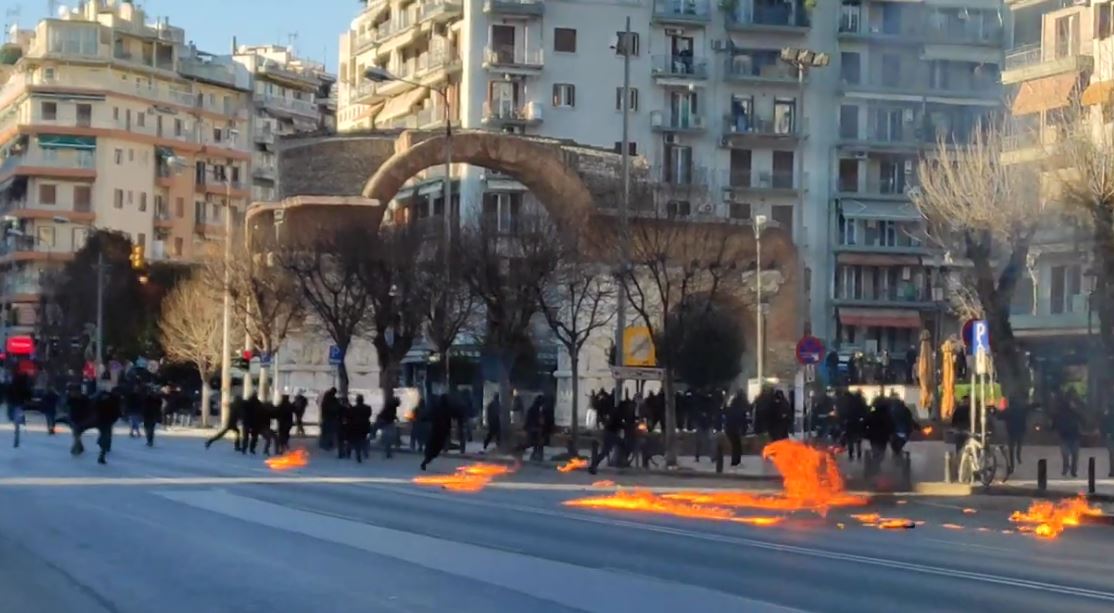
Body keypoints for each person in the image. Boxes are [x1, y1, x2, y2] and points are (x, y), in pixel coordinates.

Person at [421, 393, 455, 470]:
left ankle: (426, 460)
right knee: (436, 448)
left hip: (436, 430)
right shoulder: (446, 409)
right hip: (441, 431)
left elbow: (429, 416)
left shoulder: (438, 408)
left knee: (433, 447)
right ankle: (427, 459)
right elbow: (448, 422)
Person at [1051, 395, 1082, 478]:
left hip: (1067, 436)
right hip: (1070, 436)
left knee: (1067, 455)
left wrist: (1053, 429)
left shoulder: (1061, 413)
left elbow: (1054, 423)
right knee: (1073, 455)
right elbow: (1082, 420)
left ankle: (1068, 469)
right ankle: (1071, 471)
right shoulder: (1073, 413)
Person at [93, 388, 121, 464]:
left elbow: (116, 410)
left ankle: (103, 447)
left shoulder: (115, 399)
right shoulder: (109, 399)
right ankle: (103, 451)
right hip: (103, 420)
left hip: (107, 420)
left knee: (106, 434)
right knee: (106, 435)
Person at [864, 395, 894, 468]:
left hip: (873, 436)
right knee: (881, 452)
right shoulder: (888, 415)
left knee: (876, 451)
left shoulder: (872, 414)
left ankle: (874, 466)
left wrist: (865, 432)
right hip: (883, 436)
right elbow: (891, 426)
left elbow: (865, 423)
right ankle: (876, 465)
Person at [888, 393, 918, 459]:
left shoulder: (890, 410)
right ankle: (898, 451)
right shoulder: (905, 410)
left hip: (893, 431)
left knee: (894, 444)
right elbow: (909, 420)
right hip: (904, 431)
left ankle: (896, 452)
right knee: (901, 441)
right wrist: (916, 427)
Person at [724, 392, 749, 467]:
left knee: (735, 445)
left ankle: (735, 461)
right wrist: (744, 430)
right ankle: (736, 461)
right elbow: (743, 420)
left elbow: (726, 414)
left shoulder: (731, 407)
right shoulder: (742, 408)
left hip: (729, 428)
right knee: (737, 446)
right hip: (736, 429)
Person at [7, 370, 31, 448]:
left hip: (13, 403)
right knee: (17, 420)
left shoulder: (13, 384)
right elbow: (27, 394)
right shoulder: (23, 385)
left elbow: (8, 392)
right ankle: (17, 436)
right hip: (19, 404)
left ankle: (16, 436)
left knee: (14, 418)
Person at [349, 395, 372, 463]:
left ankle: (358, 453)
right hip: (365, 426)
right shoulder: (367, 408)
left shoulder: (353, 408)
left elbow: (350, 416)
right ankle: (365, 453)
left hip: (356, 426)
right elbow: (369, 415)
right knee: (364, 440)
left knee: (357, 441)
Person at [524, 395, 545, 461]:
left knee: (535, 443)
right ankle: (538, 455)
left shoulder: (532, 408)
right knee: (539, 442)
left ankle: (535, 454)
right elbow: (539, 420)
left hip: (532, 427)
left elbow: (528, 419)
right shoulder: (538, 409)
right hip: (535, 428)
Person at [1101, 401, 1114, 478]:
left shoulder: (1107, 416)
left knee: (1112, 455)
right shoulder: (1107, 416)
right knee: (1112, 455)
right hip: (1110, 437)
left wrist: (1105, 434)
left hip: (1110, 437)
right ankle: (1112, 471)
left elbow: (1103, 426)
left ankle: (1112, 471)